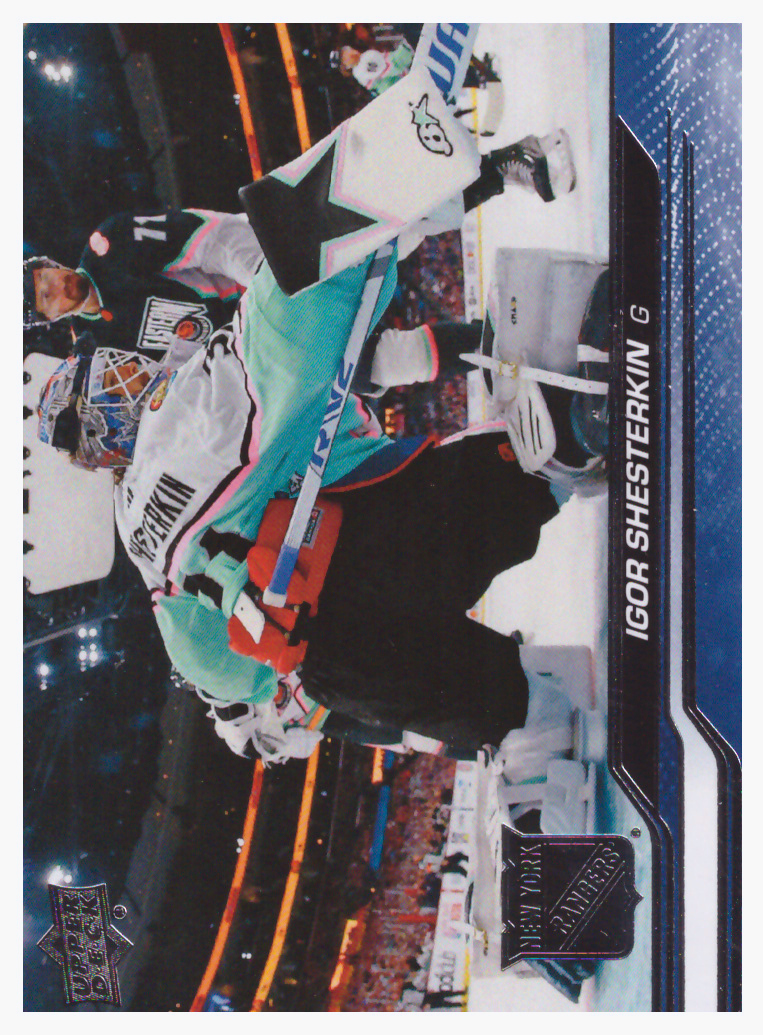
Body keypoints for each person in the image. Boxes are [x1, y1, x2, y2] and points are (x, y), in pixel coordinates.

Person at [37, 229, 569, 759]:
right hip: (392, 530)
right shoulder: (180, 410)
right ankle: (567, 432)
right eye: (115, 382)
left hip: (341, 657)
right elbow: (285, 338)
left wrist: (244, 696)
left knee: (478, 707)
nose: (130, 369)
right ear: (105, 428)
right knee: (540, 448)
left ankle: (533, 734)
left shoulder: (135, 535)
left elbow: (210, 661)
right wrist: (332, 231)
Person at [23, 208, 264, 363]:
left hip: (256, 283)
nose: (57, 284)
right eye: (46, 297)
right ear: (49, 318)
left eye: (46, 276)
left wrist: (262, 280)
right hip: (249, 350)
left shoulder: (111, 243)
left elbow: (211, 235)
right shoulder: (91, 346)